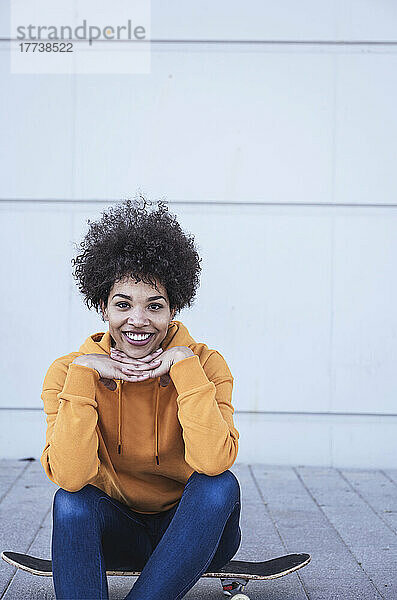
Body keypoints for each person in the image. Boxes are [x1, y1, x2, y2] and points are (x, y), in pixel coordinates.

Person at [40, 198, 242, 600]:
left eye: (155, 305)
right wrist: (84, 378)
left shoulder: (206, 363)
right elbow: (71, 476)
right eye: (123, 304)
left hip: (195, 533)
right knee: (70, 501)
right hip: (115, 531)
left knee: (220, 486)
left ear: (173, 310)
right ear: (103, 307)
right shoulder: (69, 371)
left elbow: (213, 461)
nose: (138, 320)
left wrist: (184, 367)